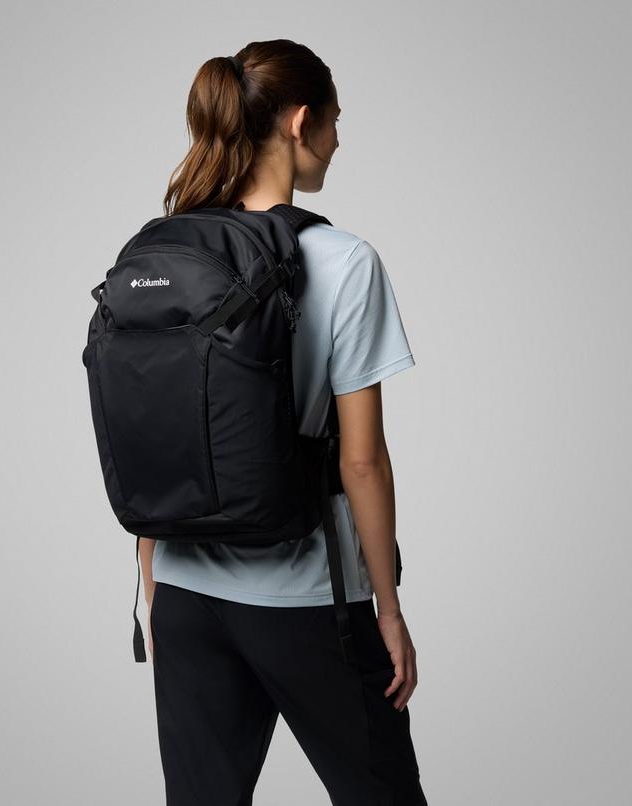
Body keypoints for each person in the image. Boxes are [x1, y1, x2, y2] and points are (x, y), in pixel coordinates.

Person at [138, 39, 429, 806]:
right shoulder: (343, 260)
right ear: (301, 122)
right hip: (306, 597)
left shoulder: (168, 248)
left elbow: (159, 430)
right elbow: (360, 461)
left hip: (184, 592)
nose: (337, 139)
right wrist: (388, 609)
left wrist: (153, 586)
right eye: (335, 121)